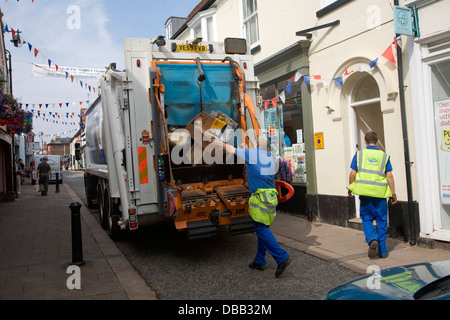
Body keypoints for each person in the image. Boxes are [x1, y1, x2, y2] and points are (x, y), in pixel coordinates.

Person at [208, 133, 291, 278]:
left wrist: (217, 142)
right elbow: (254, 163)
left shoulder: (251, 153)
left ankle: (282, 257)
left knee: (260, 229)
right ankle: (259, 261)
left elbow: (230, 149)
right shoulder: (269, 157)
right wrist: (245, 150)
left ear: (257, 144)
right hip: (271, 198)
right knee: (263, 229)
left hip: (260, 198)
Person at [348, 131, 397, 258]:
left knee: (367, 219)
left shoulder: (359, 155)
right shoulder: (384, 156)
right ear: (376, 140)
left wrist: (350, 188)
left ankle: (371, 238)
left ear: (365, 141)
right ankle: (383, 250)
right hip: (380, 195)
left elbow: (352, 173)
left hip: (365, 195)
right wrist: (393, 194)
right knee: (381, 221)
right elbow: (390, 176)